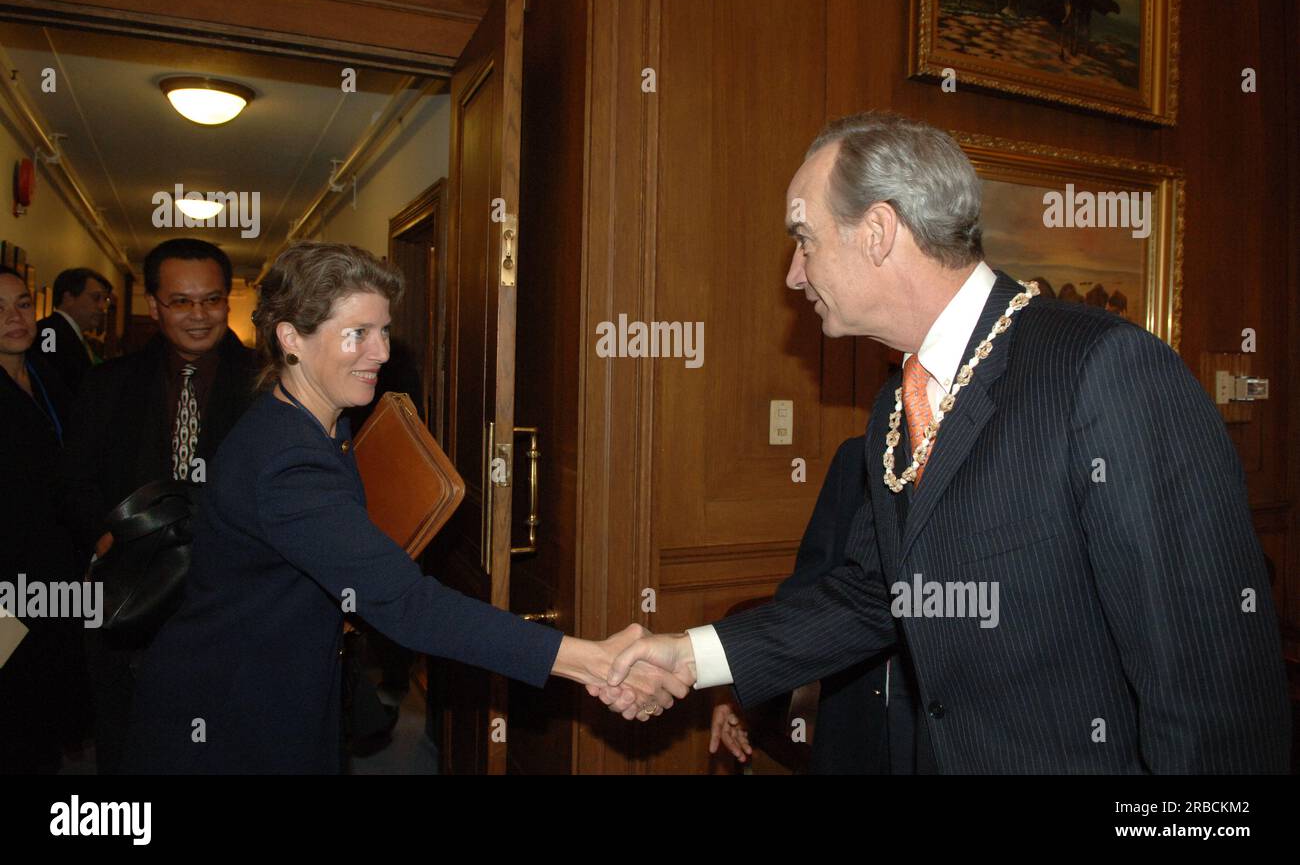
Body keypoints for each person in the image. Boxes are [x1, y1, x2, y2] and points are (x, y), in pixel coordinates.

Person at [604, 111, 1291, 773]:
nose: (793, 272)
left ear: (877, 230)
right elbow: (878, 596)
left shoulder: (1103, 371)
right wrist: (692, 656)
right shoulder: (895, 407)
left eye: (804, 238)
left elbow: (1212, 692)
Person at [122, 241, 679, 773]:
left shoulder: (321, 419)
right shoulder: (287, 462)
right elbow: (409, 607)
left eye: (384, 331)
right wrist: (593, 661)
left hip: (278, 683)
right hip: (230, 713)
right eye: (358, 333)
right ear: (291, 338)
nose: (382, 352)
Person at [60, 238, 259, 774]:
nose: (199, 316)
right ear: (154, 306)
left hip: (232, 598)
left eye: (212, 300)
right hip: (132, 596)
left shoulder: (273, 386)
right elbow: (74, 480)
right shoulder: (107, 385)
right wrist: (106, 536)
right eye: (181, 302)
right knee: (133, 741)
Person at [710, 435, 918, 773]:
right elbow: (808, 597)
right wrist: (743, 695)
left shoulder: (999, 460)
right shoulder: (858, 456)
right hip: (852, 730)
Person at [0, 266, 83, 773]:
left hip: (54, 571)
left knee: (42, 698)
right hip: (4, 582)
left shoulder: (50, 379)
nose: (15, 317)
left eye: (23, 304)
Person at [37, 267, 112, 392]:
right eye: (96, 298)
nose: (102, 307)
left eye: (105, 300)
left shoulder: (77, 336)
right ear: (68, 298)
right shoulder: (49, 331)